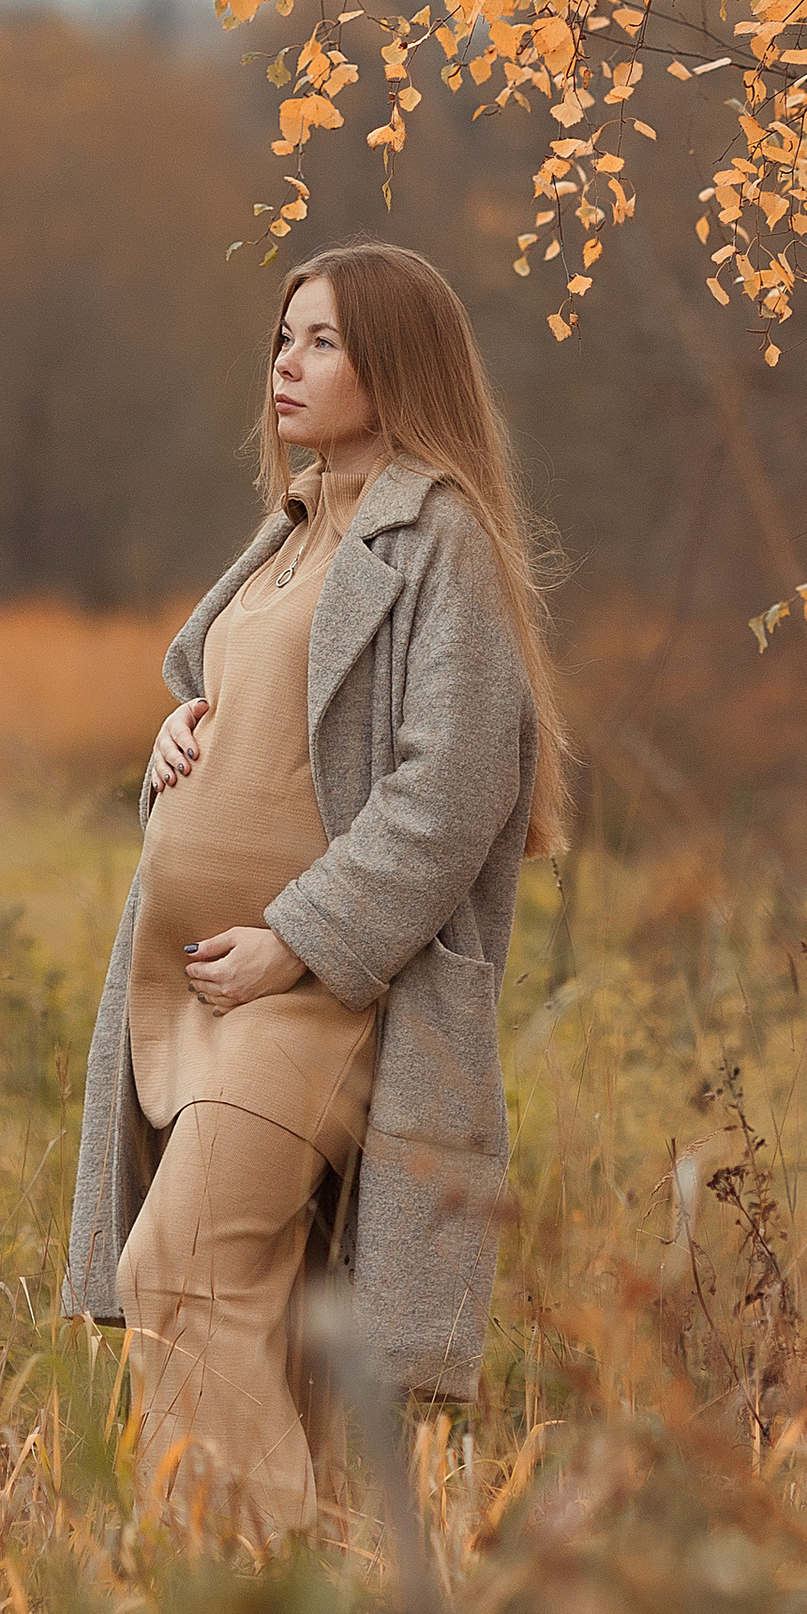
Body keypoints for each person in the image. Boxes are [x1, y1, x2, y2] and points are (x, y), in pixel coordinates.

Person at [63, 238, 565, 1547]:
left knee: (175, 1266)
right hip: (198, 987)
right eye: (285, 336)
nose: (287, 362)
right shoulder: (290, 530)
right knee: (255, 1303)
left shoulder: (435, 532)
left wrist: (297, 943)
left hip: (324, 994)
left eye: (324, 340)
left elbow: (451, 787)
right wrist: (182, 735)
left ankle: (259, 1584)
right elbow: (267, 727)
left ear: (396, 362)